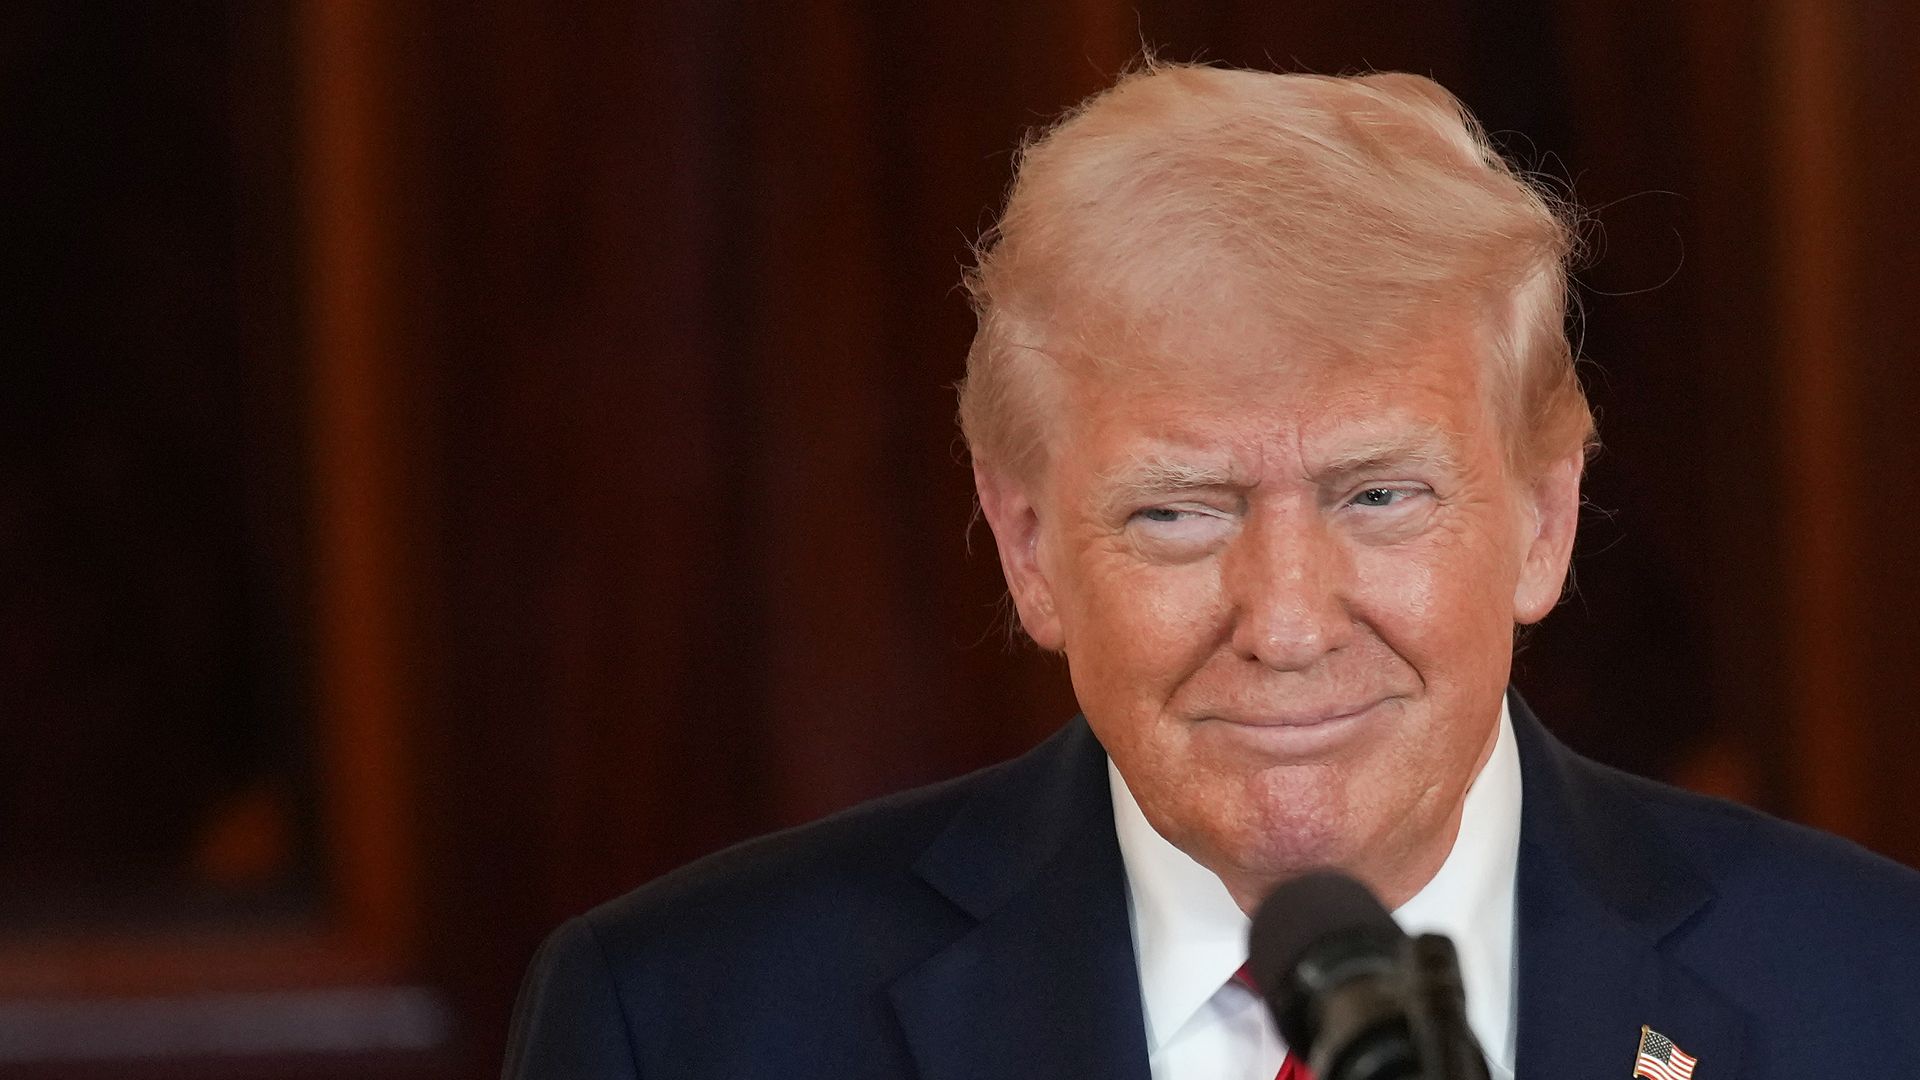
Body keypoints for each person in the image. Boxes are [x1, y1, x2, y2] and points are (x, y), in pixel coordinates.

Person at [503, 63, 1920, 1080]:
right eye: (1179, 512)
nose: (1287, 623)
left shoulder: (1874, 996)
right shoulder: (689, 1023)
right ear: (1031, 546)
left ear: (1542, 521)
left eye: (1379, 495)